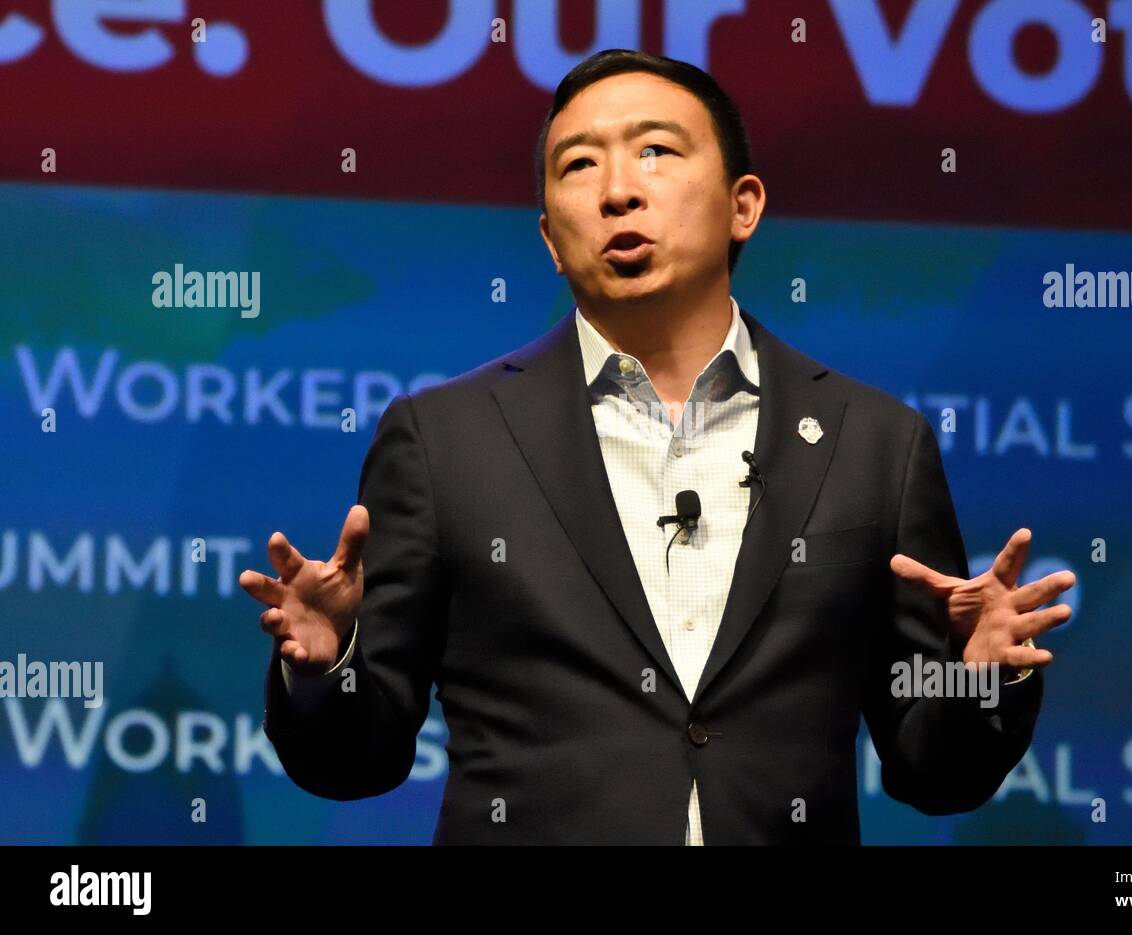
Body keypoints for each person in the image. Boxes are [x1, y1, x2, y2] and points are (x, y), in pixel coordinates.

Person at [240, 49, 1075, 845]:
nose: (616, 192)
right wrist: (328, 664)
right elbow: (359, 757)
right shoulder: (444, 440)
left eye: (655, 152)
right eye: (577, 166)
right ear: (549, 240)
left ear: (743, 204)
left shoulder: (875, 444)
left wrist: (975, 678)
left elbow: (932, 767)